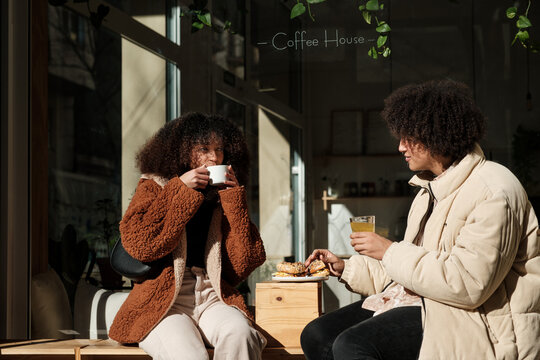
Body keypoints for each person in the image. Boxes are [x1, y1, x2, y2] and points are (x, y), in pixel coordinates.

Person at [301, 79, 540, 360]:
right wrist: (346, 267)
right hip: (421, 301)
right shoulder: (428, 190)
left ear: (439, 134)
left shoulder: (494, 189)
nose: (401, 148)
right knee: (316, 336)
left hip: (472, 319)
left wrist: (389, 250)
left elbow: (469, 285)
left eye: (409, 138)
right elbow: (410, 272)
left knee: (353, 345)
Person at [108, 112, 267, 360]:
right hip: (163, 301)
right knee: (190, 356)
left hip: (211, 294)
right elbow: (141, 245)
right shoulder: (154, 185)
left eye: (219, 149)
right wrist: (180, 189)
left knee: (241, 334)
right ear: (181, 150)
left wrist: (234, 201)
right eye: (204, 148)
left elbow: (244, 263)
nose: (214, 157)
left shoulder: (222, 196)